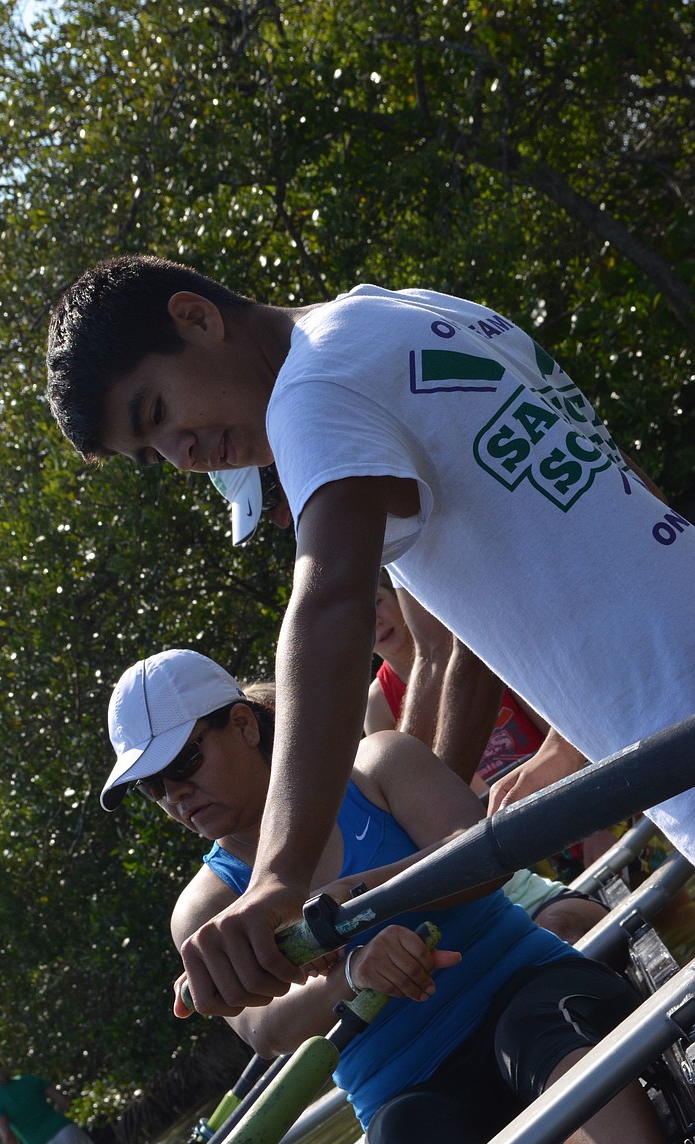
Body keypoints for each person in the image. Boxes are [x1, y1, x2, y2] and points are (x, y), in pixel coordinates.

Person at [47, 253, 695, 1014]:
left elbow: (328, 608)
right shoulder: (412, 311)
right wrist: (568, 742)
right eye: (151, 454)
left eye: (156, 413)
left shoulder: (309, 391)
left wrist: (279, 879)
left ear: (197, 317)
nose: (180, 456)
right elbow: (614, 482)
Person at [98, 647, 673, 1144]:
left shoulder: (376, 764)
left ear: (242, 724)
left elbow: (482, 856)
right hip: (406, 1090)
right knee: (405, 1130)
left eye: (184, 761)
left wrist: (353, 903)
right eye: (152, 786)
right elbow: (263, 1030)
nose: (175, 794)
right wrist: (354, 974)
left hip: (522, 990)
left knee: (534, 1026)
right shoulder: (203, 909)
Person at [365, 575, 609, 945]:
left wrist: (593, 812)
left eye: (379, 602)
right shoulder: (378, 703)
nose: (376, 620)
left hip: (561, 792)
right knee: (566, 928)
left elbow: (551, 724)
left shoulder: (471, 644)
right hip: (494, 833)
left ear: (402, 599)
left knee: (660, 897)